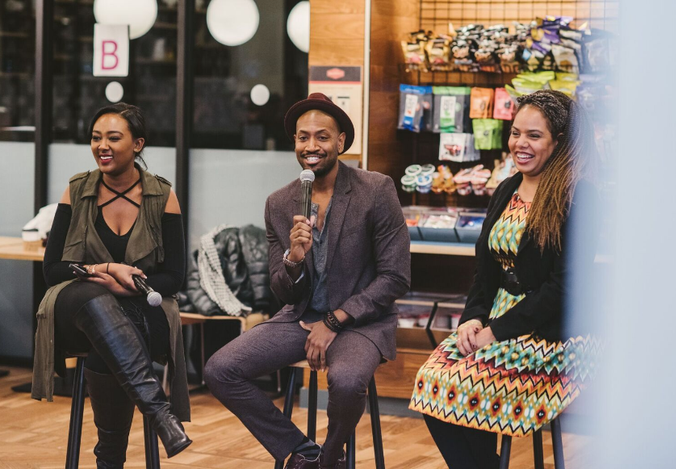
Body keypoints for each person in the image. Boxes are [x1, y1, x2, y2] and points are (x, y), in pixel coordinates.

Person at [204, 93, 411, 469]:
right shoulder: (280, 203)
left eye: (322, 137)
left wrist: (333, 321)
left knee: (347, 382)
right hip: (300, 318)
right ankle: (303, 454)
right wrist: (294, 260)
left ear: (341, 142)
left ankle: (329, 459)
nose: (311, 146)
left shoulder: (375, 190)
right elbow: (281, 290)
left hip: (360, 323)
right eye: (303, 138)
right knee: (221, 369)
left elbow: (395, 277)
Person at [409, 90, 600, 468]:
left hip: (552, 336)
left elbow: (565, 289)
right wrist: (473, 319)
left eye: (534, 135)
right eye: (515, 133)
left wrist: (496, 331)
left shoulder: (578, 195)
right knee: (430, 381)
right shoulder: (507, 188)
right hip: (494, 322)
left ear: (559, 142)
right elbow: (486, 270)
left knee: (465, 388)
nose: (519, 144)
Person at [32, 103, 192, 466]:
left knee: (111, 334)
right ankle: (160, 415)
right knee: (95, 299)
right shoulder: (77, 190)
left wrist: (127, 285)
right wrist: (106, 269)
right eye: (95, 137)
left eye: (113, 138)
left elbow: (174, 278)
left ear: (137, 144)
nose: (101, 145)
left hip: (140, 308)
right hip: (75, 309)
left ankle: (109, 458)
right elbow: (53, 270)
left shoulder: (161, 196)